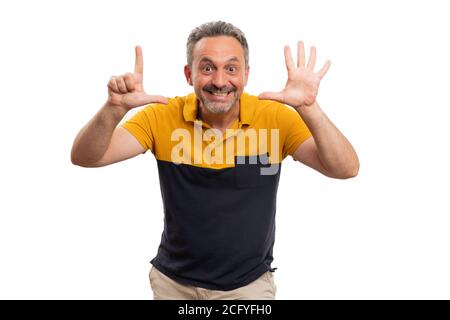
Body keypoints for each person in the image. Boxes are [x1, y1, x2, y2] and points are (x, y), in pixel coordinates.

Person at [71, 21, 359, 300]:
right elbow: (86, 157)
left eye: (231, 68)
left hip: (247, 288)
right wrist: (113, 109)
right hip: (173, 286)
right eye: (207, 68)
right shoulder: (160, 116)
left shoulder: (276, 119)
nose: (220, 81)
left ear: (246, 74)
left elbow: (345, 168)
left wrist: (310, 109)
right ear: (189, 74)